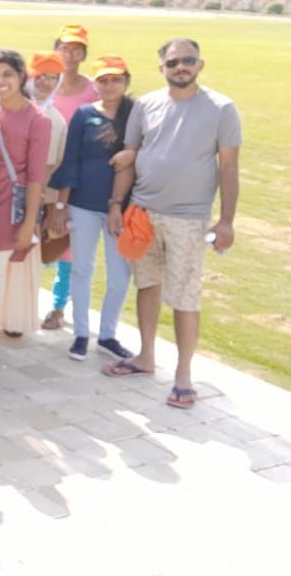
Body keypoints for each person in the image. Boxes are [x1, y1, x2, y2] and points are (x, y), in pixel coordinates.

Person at [103, 38, 241, 410]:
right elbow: (130, 157)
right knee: (147, 286)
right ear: (161, 68)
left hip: (189, 220)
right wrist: (116, 204)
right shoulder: (146, 105)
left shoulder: (221, 108)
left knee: (185, 297)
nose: (181, 67)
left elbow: (228, 168)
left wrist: (226, 222)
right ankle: (145, 357)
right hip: (143, 213)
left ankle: (183, 375)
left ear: (200, 64)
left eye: (188, 60)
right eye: (173, 62)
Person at [44, 56, 136, 361]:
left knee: (119, 275)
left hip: (120, 209)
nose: (109, 86)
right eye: (103, 80)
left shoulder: (135, 114)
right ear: (95, 84)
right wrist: (61, 205)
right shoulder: (84, 114)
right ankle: (81, 334)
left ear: (126, 81)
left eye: (116, 79)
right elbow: (70, 160)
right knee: (82, 269)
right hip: (82, 204)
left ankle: (107, 335)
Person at [0, 50, 52, 356]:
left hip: (8, 203)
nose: (1, 81)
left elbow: (36, 176)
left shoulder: (38, 120)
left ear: (21, 76)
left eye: (7, 74)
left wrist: (29, 222)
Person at [0, 52, 68, 338]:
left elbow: (49, 167)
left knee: (22, 258)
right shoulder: (3, 106)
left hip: (31, 197)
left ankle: (14, 318)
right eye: (41, 77)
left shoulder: (55, 120)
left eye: (53, 78)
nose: (46, 83)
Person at [40, 24, 100, 330]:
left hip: (76, 176)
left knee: (68, 244)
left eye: (76, 49)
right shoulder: (41, 83)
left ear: (84, 54)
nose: (70, 54)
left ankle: (58, 305)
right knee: (32, 238)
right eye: (65, 47)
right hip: (40, 174)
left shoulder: (93, 90)